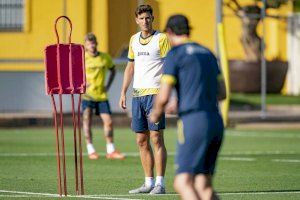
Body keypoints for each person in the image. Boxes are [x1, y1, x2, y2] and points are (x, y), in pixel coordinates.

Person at [150, 14, 226, 200]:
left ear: (169, 32)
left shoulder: (175, 54)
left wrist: (156, 113)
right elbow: (222, 92)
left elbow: (164, 95)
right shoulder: (207, 53)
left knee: (183, 182)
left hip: (194, 121)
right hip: (215, 121)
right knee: (203, 185)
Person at [119, 4, 170, 194]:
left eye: (148, 18)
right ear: (136, 20)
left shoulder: (161, 39)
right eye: (141, 18)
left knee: (156, 138)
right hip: (138, 95)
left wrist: (168, 93)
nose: (145, 21)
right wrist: (123, 91)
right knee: (141, 140)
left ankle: (160, 184)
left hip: (155, 94)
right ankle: (148, 182)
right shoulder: (133, 40)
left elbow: (169, 66)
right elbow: (130, 67)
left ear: (152, 19)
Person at [82, 33, 125, 160]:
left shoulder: (105, 57)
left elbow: (113, 70)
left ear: (97, 43)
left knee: (109, 122)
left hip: (101, 96)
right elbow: (74, 73)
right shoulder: (82, 58)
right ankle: (91, 150)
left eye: (94, 42)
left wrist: (108, 86)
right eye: (89, 43)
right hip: (87, 96)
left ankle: (110, 150)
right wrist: (82, 84)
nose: (92, 45)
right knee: (87, 122)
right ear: (85, 45)